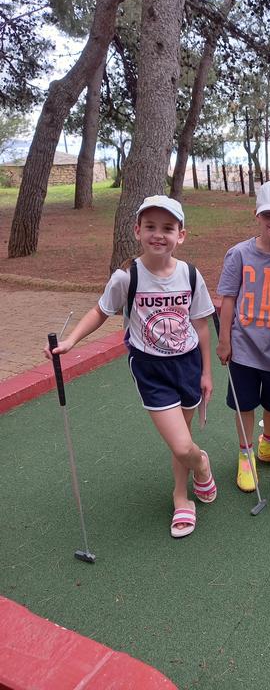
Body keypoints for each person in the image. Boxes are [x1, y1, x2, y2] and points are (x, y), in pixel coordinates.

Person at [44, 195, 216, 538]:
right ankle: (201, 464)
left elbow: (200, 325)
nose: (158, 234)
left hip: (188, 364)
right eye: (150, 226)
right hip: (150, 369)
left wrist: (207, 372)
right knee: (182, 446)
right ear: (137, 231)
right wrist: (71, 341)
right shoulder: (126, 276)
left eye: (168, 228)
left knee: (183, 438)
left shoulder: (191, 275)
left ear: (181, 235)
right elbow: (100, 311)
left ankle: (181, 496)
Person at [216, 180, 270, 492]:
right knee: (245, 404)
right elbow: (228, 299)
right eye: (268, 215)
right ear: (257, 215)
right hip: (243, 347)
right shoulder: (238, 254)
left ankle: (268, 444)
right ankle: (246, 453)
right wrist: (225, 340)